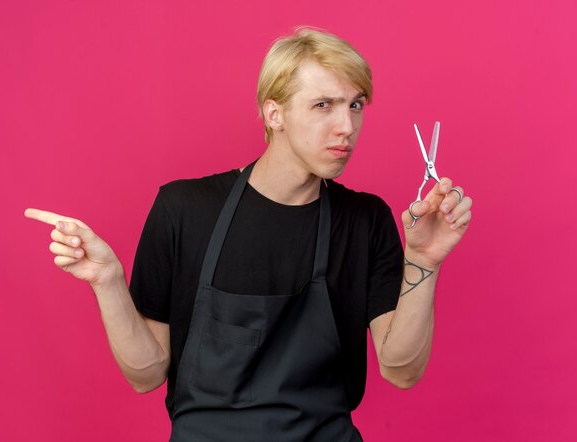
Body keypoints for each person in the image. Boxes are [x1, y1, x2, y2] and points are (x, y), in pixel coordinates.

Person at [25, 28, 472, 441]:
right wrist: (108, 282)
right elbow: (146, 375)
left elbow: (401, 370)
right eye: (324, 105)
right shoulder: (184, 209)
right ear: (273, 113)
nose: (347, 127)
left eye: (355, 105)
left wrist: (425, 260)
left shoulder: (365, 219)